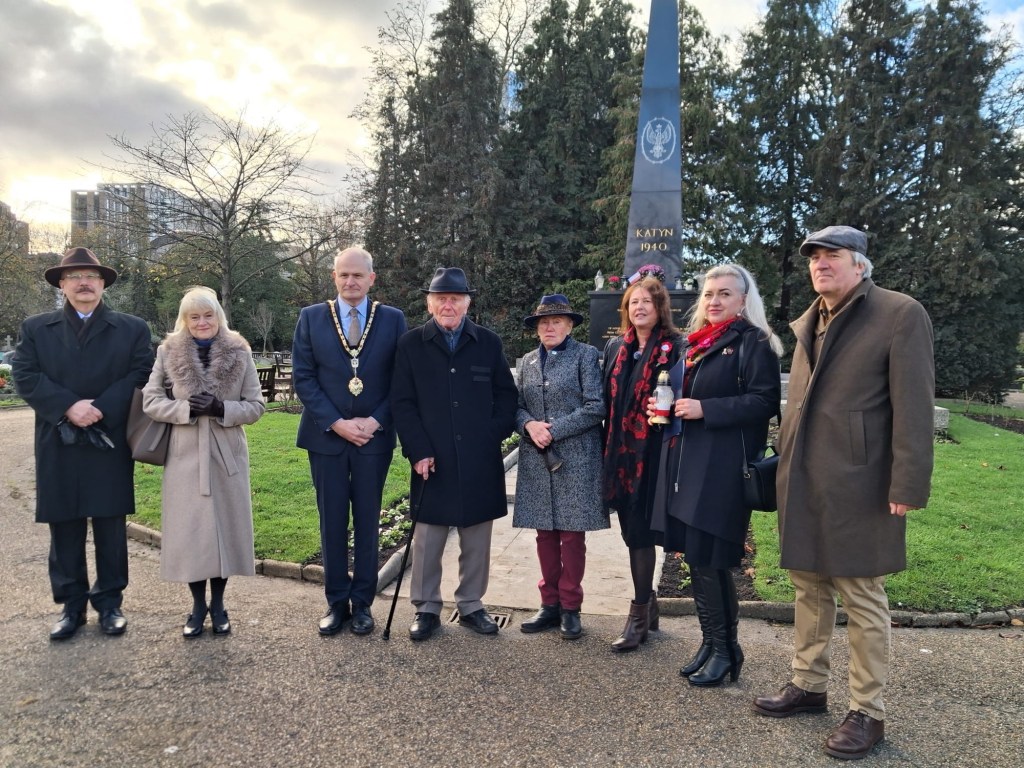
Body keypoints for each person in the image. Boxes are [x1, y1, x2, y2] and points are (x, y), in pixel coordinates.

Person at [752, 226, 935, 761]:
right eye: (814, 256)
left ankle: (867, 712)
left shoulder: (899, 314)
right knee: (808, 587)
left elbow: (914, 407)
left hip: (862, 481)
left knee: (861, 594)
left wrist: (907, 484)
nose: (820, 264)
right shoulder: (813, 320)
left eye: (833, 255)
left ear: (860, 265)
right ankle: (808, 685)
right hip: (806, 479)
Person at [647, 264, 782, 686]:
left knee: (714, 561)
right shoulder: (696, 345)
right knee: (697, 560)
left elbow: (764, 401)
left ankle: (727, 651)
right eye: (709, 294)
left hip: (723, 470)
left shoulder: (753, 342)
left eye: (725, 293)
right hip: (688, 466)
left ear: (744, 300)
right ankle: (710, 642)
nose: (715, 301)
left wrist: (708, 409)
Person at [12, 247, 153, 640]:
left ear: (103, 283)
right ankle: (71, 606)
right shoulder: (37, 328)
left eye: (91, 276)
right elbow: (25, 374)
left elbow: (141, 371)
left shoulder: (131, 328)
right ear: (62, 284)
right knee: (64, 525)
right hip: (58, 437)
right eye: (74, 276)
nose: (83, 282)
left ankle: (110, 603)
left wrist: (101, 408)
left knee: (110, 524)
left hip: (108, 438)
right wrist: (68, 406)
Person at [391, 267, 517, 641]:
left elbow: (506, 396)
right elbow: (402, 402)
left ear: (467, 303)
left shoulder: (488, 343)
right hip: (431, 459)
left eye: (455, 299)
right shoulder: (411, 344)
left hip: (479, 458)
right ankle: (426, 607)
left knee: (476, 539)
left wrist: (491, 434)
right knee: (428, 539)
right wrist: (418, 450)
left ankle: (471, 605)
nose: (448, 305)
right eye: (441, 299)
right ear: (430, 303)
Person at [292, 246, 407, 636]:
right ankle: (336, 602)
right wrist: (338, 423)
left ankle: (363, 604)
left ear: (372, 278)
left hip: (373, 440)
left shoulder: (392, 319)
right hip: (327, 438)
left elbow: (400, 379)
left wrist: (374, 421)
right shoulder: (311, 318)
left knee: (368, 521)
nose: (350, 282)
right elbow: (303, 377)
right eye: (343, 275)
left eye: (358, 275)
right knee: (333, 521)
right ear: (334, 277)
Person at [142, 287, 265, 638]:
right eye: (194, 316)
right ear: (185, 320)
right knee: (192, 535)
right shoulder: (168, 352)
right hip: (184, 456)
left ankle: (220, 604)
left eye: (207, 315)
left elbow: (256, 405)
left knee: (225, 530)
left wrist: (223, 409)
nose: (201, 322)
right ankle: (197, 606)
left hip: (227, 456)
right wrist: (184, 410)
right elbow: (150, 400)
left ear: (218, 317)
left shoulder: (240, 353)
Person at [513, 294, 608, 640]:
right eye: (543, 322)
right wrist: (528, 426)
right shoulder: (526, 362)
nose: (549, 327)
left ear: (569, 325)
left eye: (556, 321)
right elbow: (517, 405)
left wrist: (552, 430)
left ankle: (571, 606)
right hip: (538, 459)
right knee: (544, 535)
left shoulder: (585, 356)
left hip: (576, 459)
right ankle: (549, 604)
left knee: (571, 536)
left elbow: (596, 406)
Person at [601, 272, 682, 652]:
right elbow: (606, 401)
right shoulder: (617, 348)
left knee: (641, 533)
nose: (639, 307)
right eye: (633, 302)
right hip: (621, 455)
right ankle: (648, 606)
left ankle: (638, 615)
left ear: (660, 307)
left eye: (646, 301)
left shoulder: (677, 347)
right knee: (631, 531)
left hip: (657, 455)